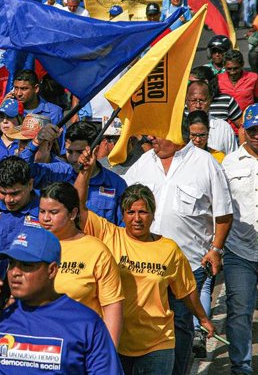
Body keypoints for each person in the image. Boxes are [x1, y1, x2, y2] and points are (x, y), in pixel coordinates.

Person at [76, 151, 216, 374]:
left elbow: (186, 291)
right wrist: (85, 172)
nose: (137, 218)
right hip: (116, 342)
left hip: (158, 344)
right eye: (130, 212)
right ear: (122, 214)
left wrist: (202, 318)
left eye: (143, 212)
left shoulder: (169, 249)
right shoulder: (109, 235)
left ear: (153, 214)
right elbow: (79, 208)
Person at [0, 226, 124, 375]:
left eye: (26, 265)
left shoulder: (86, 323)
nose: (15, 273)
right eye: (11, 264)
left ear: (52, 270)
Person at [123, 126, 233, 375]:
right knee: (147, 322)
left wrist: (216, 249)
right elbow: (123, 198)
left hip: (189, 266)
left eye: (157, 132)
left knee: (181, 326)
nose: (150, 138)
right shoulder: (144, 162)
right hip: (146, 266)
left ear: (176, 133)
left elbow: (224, 213)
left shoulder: (205, 162)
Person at [36, 182, 124, 345]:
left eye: (53, 212)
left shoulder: (96, 251)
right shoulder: (32, 246)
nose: (46, 218)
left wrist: (108, 355)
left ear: (73, 213)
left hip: (80, 346)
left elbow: (112, 306)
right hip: (38, 346)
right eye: (42, 212)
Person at [221, 103, 258, 375]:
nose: (257, 135)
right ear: (243, 130)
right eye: (253, 130)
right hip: (239, 251)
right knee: (239, 311)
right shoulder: (228, 163)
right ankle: (241, 367)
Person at [185, 81, 237, 155]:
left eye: (202, 100)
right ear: (186, 101)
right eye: (193, 100)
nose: (198, 105)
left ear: (210, 101)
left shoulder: (223, 128)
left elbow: (232, 159)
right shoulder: (177, 127)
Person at [0, 99, 23, 163]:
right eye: (1, 117)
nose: (5, 121)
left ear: (20, 119)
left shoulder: (26, 144)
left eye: (9, 117)